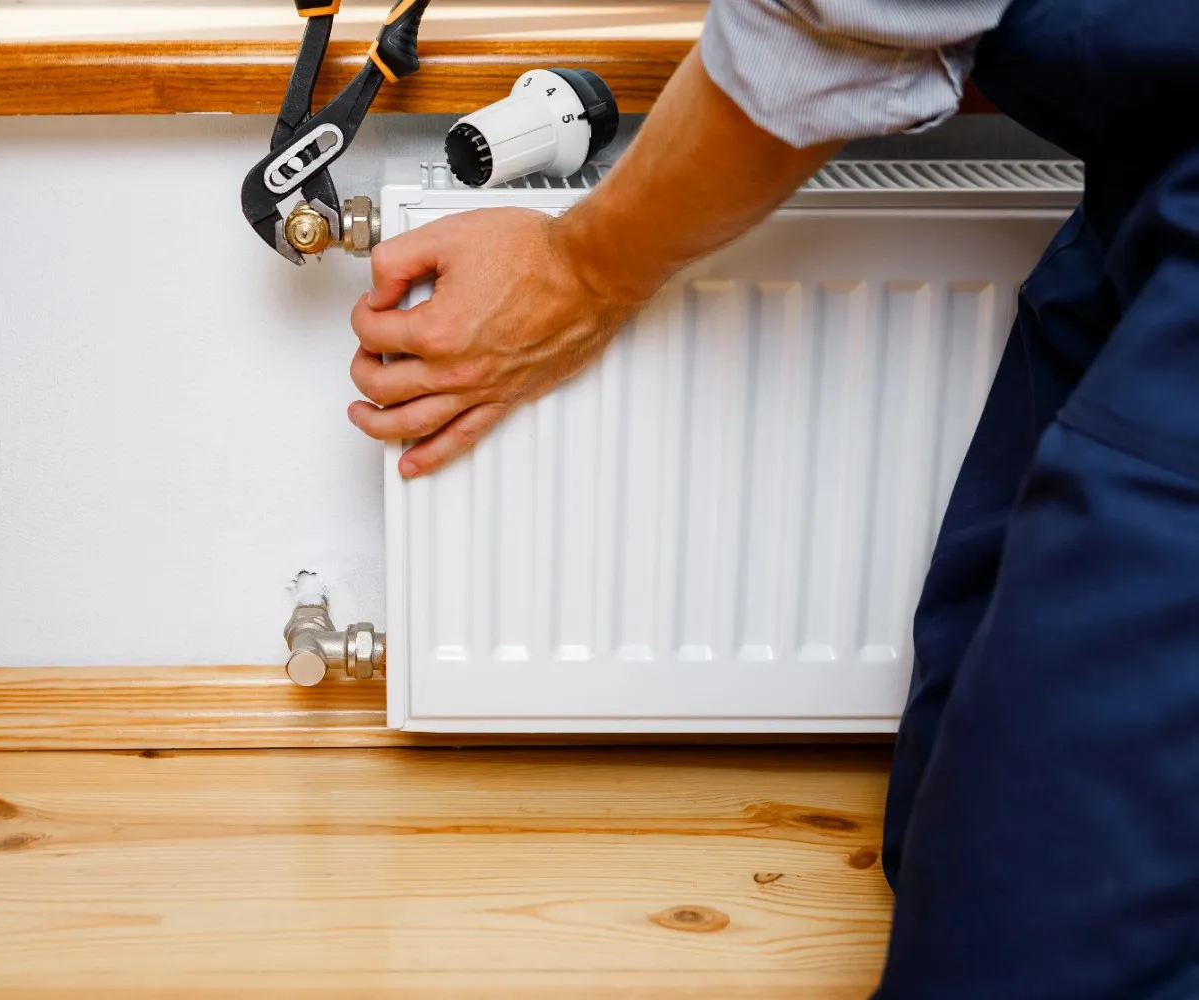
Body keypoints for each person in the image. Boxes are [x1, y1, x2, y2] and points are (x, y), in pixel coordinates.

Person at [347, 0, 1199, 995]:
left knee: (1032, 928)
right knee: (944, 804)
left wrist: (576, 267)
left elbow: (836, 27)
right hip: (1147, 189)